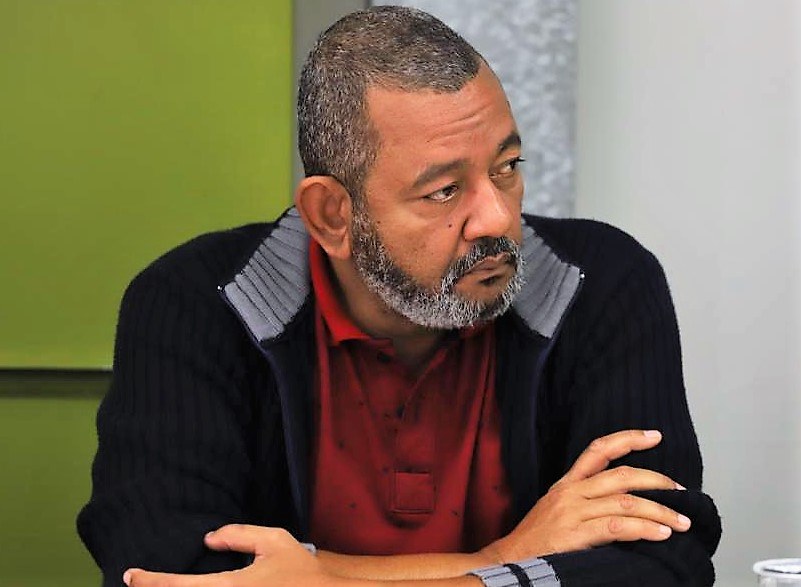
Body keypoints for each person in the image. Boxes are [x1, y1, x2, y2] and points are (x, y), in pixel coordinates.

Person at [77, 6, 721, 587]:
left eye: (507, 167)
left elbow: (664, 561)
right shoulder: (196, 305)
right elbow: (163, 569)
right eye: (444, 191)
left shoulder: (598, 283)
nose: (498, 218)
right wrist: (509, 558)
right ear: (332, 215)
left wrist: (324, 579)